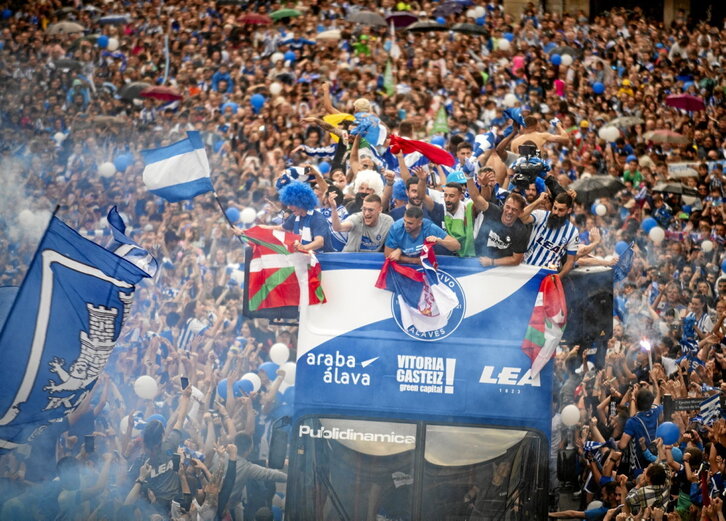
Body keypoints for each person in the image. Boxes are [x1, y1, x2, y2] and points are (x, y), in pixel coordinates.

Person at [468, 167, 529, 267]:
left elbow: (516, 259)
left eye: (514, 209)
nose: (509, 212)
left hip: (500, 269)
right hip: (477, 259)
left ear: (520, 212)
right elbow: (476, 198)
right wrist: (469, 178)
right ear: (503, 205)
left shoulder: (521, 230)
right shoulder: (494, 211)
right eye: (507, 207)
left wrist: (492, 262)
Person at [226, 433, 287, 521]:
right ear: (249, 449)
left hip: (214, 504)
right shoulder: (246, 467)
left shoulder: (219, 456)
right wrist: (290, 478)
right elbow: (269, 474)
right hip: (228, 507)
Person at [520, 192, 579, 277]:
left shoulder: (573, 232)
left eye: (560, 210)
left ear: (569, 210)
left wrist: (558, 277)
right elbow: (521, 218)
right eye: (554, 208)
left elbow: (570, 262)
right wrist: (538, 201)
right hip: (526, 268)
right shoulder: (541, 216)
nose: (555, 212)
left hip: (547, 276)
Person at [384, 206, 460, 264]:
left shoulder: (429, 227)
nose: (405, 225)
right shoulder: (397, 228)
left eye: (410, 223)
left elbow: (456, 246)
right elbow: (388, 254)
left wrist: (439, 241)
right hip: (405, 267)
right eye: (404, 221)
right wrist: (415, 261)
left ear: (420, 222)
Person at [329, 192, 393, 252]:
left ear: (380, 210)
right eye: (364, 209)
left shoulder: (388, 222)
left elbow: (396, 241)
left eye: (371, 210)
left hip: (372, 260)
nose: (366, 213)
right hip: (351, 258)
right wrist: (334, 208)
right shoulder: (356, 218)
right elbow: (338, 228)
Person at [441, 172, 476, 257]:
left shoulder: (469, 204)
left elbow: (480, 200)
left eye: (464, 184)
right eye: (460, 184)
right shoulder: (440, 205)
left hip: (468, 257)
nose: (463, 187)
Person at [547, 481, 622, 520]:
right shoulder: (619, 509)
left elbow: (573, 514)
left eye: (603, 495)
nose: (602, 498)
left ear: (612, 495)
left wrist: (551, 514)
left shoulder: (603, 511)